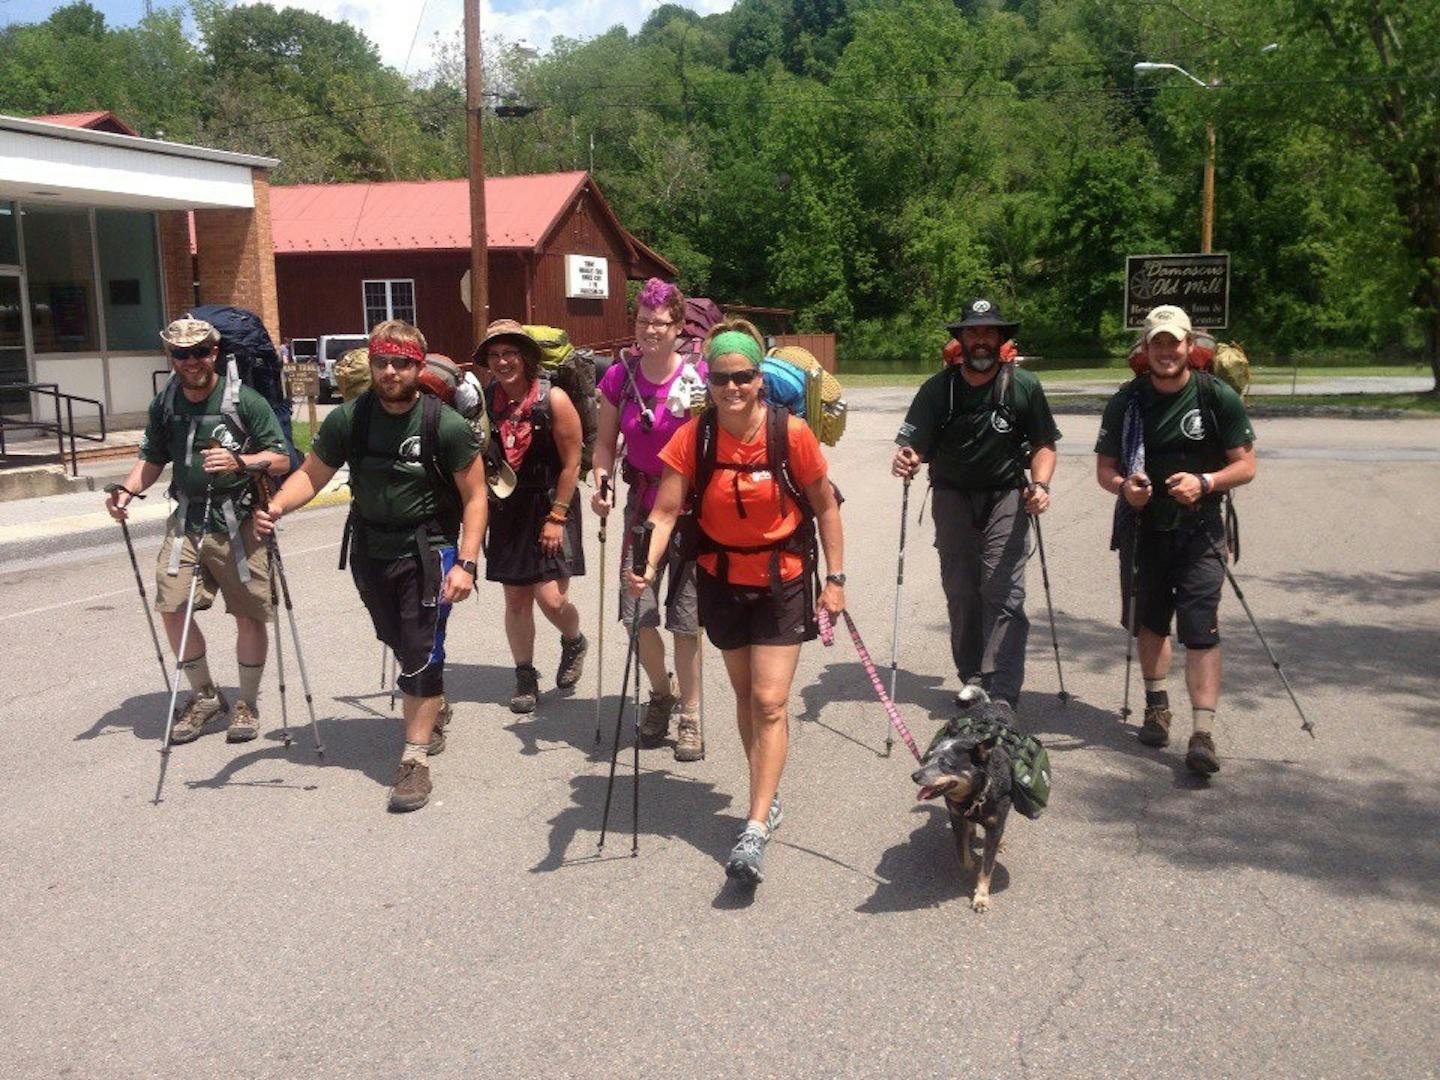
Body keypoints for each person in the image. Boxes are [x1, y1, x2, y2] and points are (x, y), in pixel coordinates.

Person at [627, 322, 845, 886]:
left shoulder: (790, 434)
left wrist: (837, 580)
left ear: (758, 380)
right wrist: (645, 568)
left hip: (782, 579)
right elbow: (666, 511)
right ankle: (764, 793)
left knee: (770, 702)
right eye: (722, 378)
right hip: (720, 579)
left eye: (743, 376)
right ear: (711, 381)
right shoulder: (694, 437)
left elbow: (825, 506)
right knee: (747, 699)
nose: (732, 387)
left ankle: (753, 826)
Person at [255, 319, 487, 812]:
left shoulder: (442, 422)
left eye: (400, 363)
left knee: (421, 644)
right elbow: (311, 475)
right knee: (399, 640)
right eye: (381, 361)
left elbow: (475, 495)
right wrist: (277, 506)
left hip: (429, 548)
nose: (389, 371)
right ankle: (433, 701)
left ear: (417, 366)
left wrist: (465, 562)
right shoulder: (350, 419)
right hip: (369, 549)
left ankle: (414, 758)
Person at [105, 317, 291, 744]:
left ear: (215, 353)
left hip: (238, 522)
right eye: (181, 354)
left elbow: (281, 459)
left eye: (200, 352)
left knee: (248, 613)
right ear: (171, 357)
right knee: (172, 607)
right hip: (186, 522)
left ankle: (246, 702)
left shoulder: (245, 400)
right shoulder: (166, 403)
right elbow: (152, 457)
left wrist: (239, 462)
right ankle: (205, 696)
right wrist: (127, 491)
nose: (191, 361)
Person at [1095, 305, 1256, 774]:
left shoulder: (1216, 396)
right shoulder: (1127, 401)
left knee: (1201, 626)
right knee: (1151, 621)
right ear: (1145, 350)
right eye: (1157, 343)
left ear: (1190, 346)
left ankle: (1202, 733)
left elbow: (1245, 466)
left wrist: (1205, 482)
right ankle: (1156, 705)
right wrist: (1125, 489)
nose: (1166, 351)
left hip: (1201, 527)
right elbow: (1106, 470)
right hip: (1145, 528)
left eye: (1174, 342)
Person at [891, 299, 1060, 709]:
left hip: (1005, 495)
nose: (981, 340)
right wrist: (907, 457)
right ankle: (972, 675)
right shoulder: (938, 389)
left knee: (1002, 591)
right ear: (961, 339)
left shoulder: (1023, 386)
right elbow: (913, 445)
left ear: (1001, 340)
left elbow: (1044, 445)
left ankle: (1001, 691)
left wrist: (1040, 484)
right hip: (951, 497)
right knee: (962, 591)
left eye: (989, 332)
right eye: (973, 333)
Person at [593, 278, 708, 760]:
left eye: (660, 323)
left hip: (690, 510)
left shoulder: (697, 379)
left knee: (686, 619)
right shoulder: (620, 377)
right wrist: (600, 480)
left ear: (678, 327)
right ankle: (662, 692)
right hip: (641, 506)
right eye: (642, 321)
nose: (650, 331)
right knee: (636, 613)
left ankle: (691, 717)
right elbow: (602, 444)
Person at [474, 320, 588, 713]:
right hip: (507, 508)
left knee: (552, 598)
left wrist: (557, 515)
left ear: (525, 357)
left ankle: (573, 639)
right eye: (494, 355)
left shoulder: (552, 399)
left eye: (509, 353)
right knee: (516, 598)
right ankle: (525, 676)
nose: (502, 361)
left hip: (551, 503)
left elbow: (573, 461)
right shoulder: (486, 401)